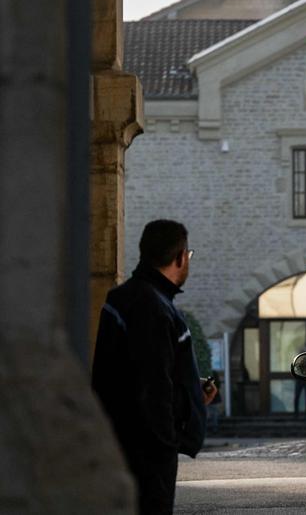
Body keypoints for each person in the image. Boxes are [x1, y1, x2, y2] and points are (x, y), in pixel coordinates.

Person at [92, 219, 218, 515]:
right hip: (147, 455)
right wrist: (166, 444)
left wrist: (191, 390)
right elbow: (151, 386)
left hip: (126, 446)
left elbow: (141, 370)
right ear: (179, 257)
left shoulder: (125, 299)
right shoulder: (154, 308)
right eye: (188, 255)